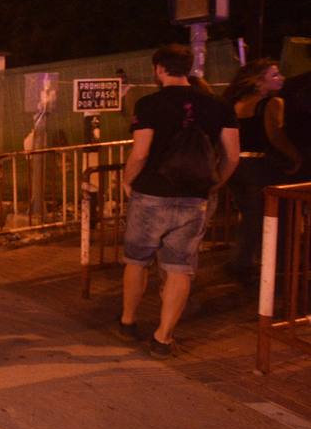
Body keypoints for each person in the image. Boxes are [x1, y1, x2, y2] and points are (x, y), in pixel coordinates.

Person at [118, 44, 239, 358]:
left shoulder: (148, 105)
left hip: (151, 194)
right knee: (179, 268)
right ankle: (163, 336)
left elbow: (141, 153)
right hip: (193, 198)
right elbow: (232, 157)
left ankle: (128, 321)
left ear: (159, 68)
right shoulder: (219, 106)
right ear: (189, 68)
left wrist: (126, 180)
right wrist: (213, 186)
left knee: (137, 260)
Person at [222, 59, 301, 284]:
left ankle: (244, 259)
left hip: (235, 164)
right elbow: (275, 135)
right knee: (264, 216)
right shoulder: (272, 103)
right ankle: (249, 262)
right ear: (259, 82)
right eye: (274, 75)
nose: (281, 78)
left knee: (250, 215)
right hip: (258, 166)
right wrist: (295, 157)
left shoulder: (236, 103)